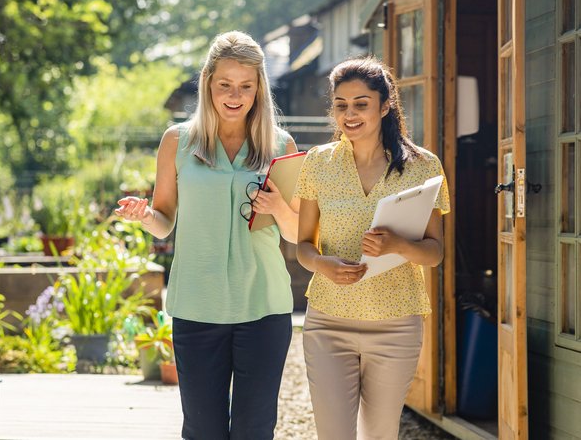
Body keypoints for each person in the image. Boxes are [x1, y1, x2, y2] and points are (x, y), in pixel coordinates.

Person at [115, 30, 299, 440]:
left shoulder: (281, 144)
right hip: (198, 306)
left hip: (263, 306)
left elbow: (296, 230)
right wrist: (146, 216)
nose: (235, 96)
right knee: (203, 430)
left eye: (245, 86)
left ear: (259, 88)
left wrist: (279, 208)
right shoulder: (178, 141)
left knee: (255, 430)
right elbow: (165, 218)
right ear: (208, 83)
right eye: (225, 85)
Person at [294, 56, 450, 440]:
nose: (350, 114)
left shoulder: (423, 166)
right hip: (328, 321)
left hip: (396, 325)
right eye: (341, 105)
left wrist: (398, 245)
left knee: (380, 435)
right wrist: (323, 264)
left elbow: (435, 252)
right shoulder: (318, 163)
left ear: (385, 105)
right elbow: (302, 246)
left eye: (361, 104)